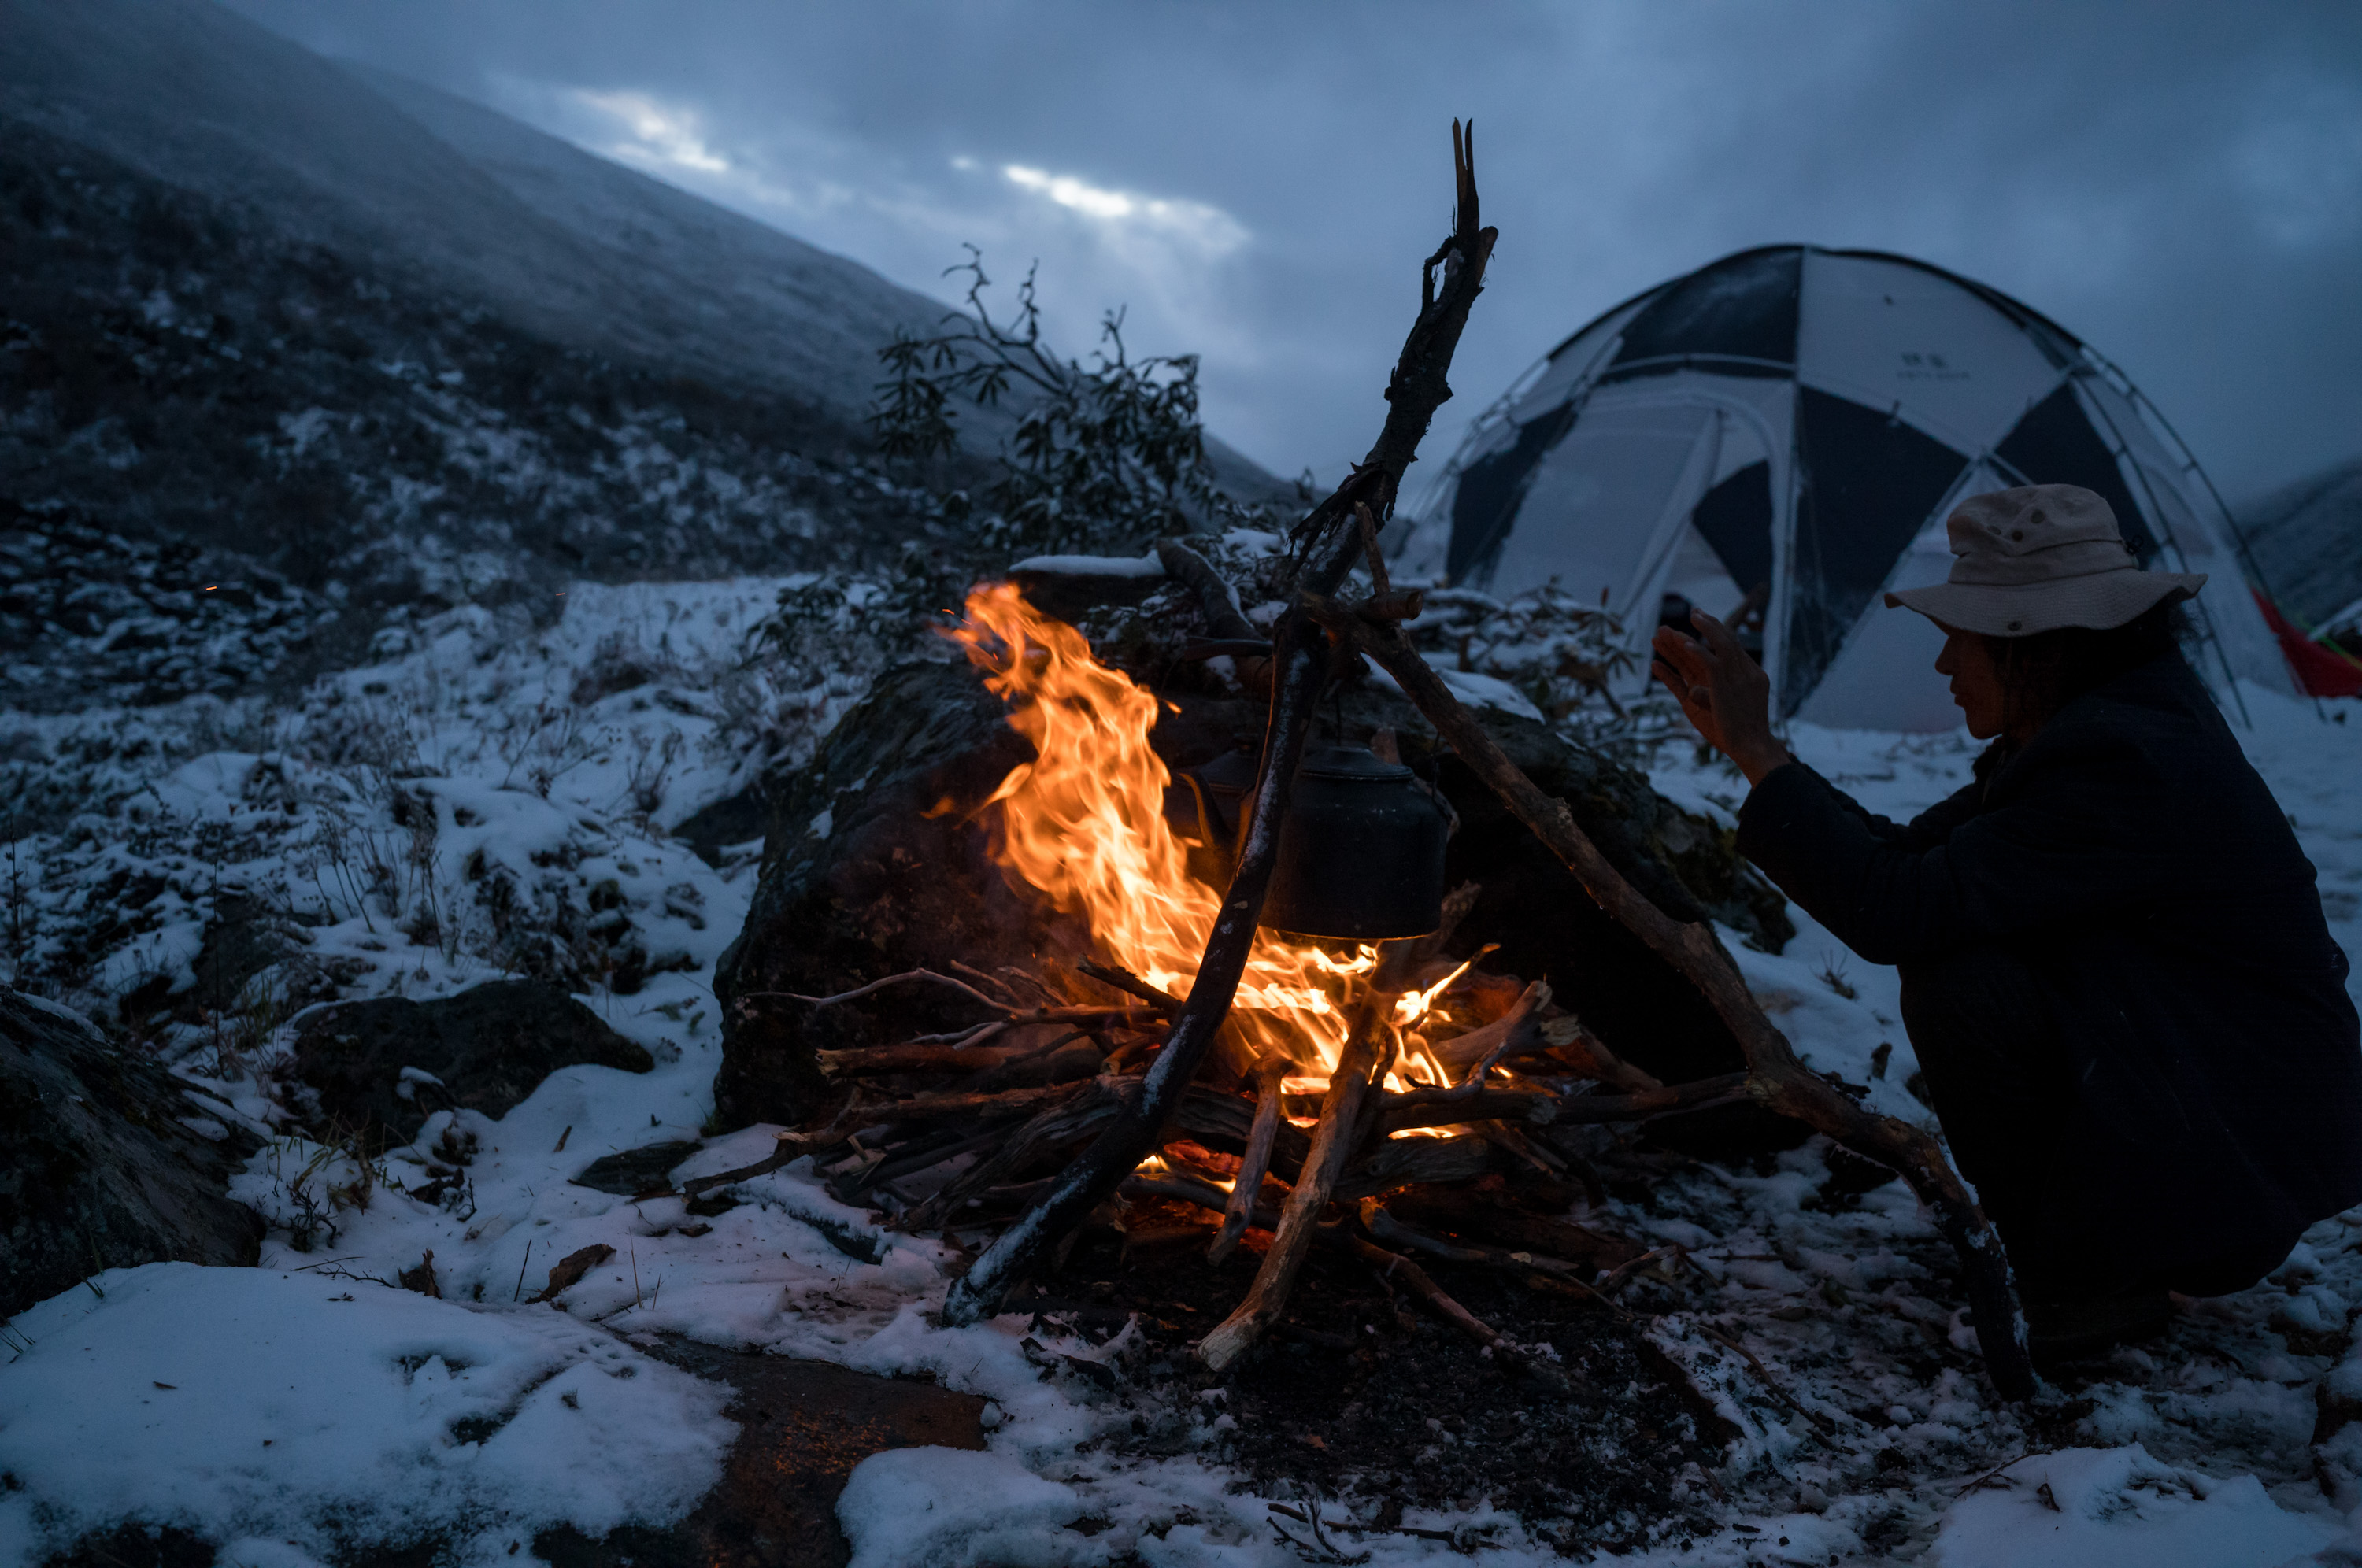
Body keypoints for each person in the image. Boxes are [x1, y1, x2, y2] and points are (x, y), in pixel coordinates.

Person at [1651, 483, 2362, 1360]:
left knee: (1961, 984)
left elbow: (1896, 909)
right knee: (1964, 947)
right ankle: (2093, 1250)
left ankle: (2086, 1289)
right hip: (2212, 1121)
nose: (1945, 665)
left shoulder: (2123, 758)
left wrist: (1759, 751)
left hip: (2231, 1168)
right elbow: (1909, 861)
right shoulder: (2097, 728)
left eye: (1960, 638)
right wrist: (1762, 760)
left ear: (2031, 643)